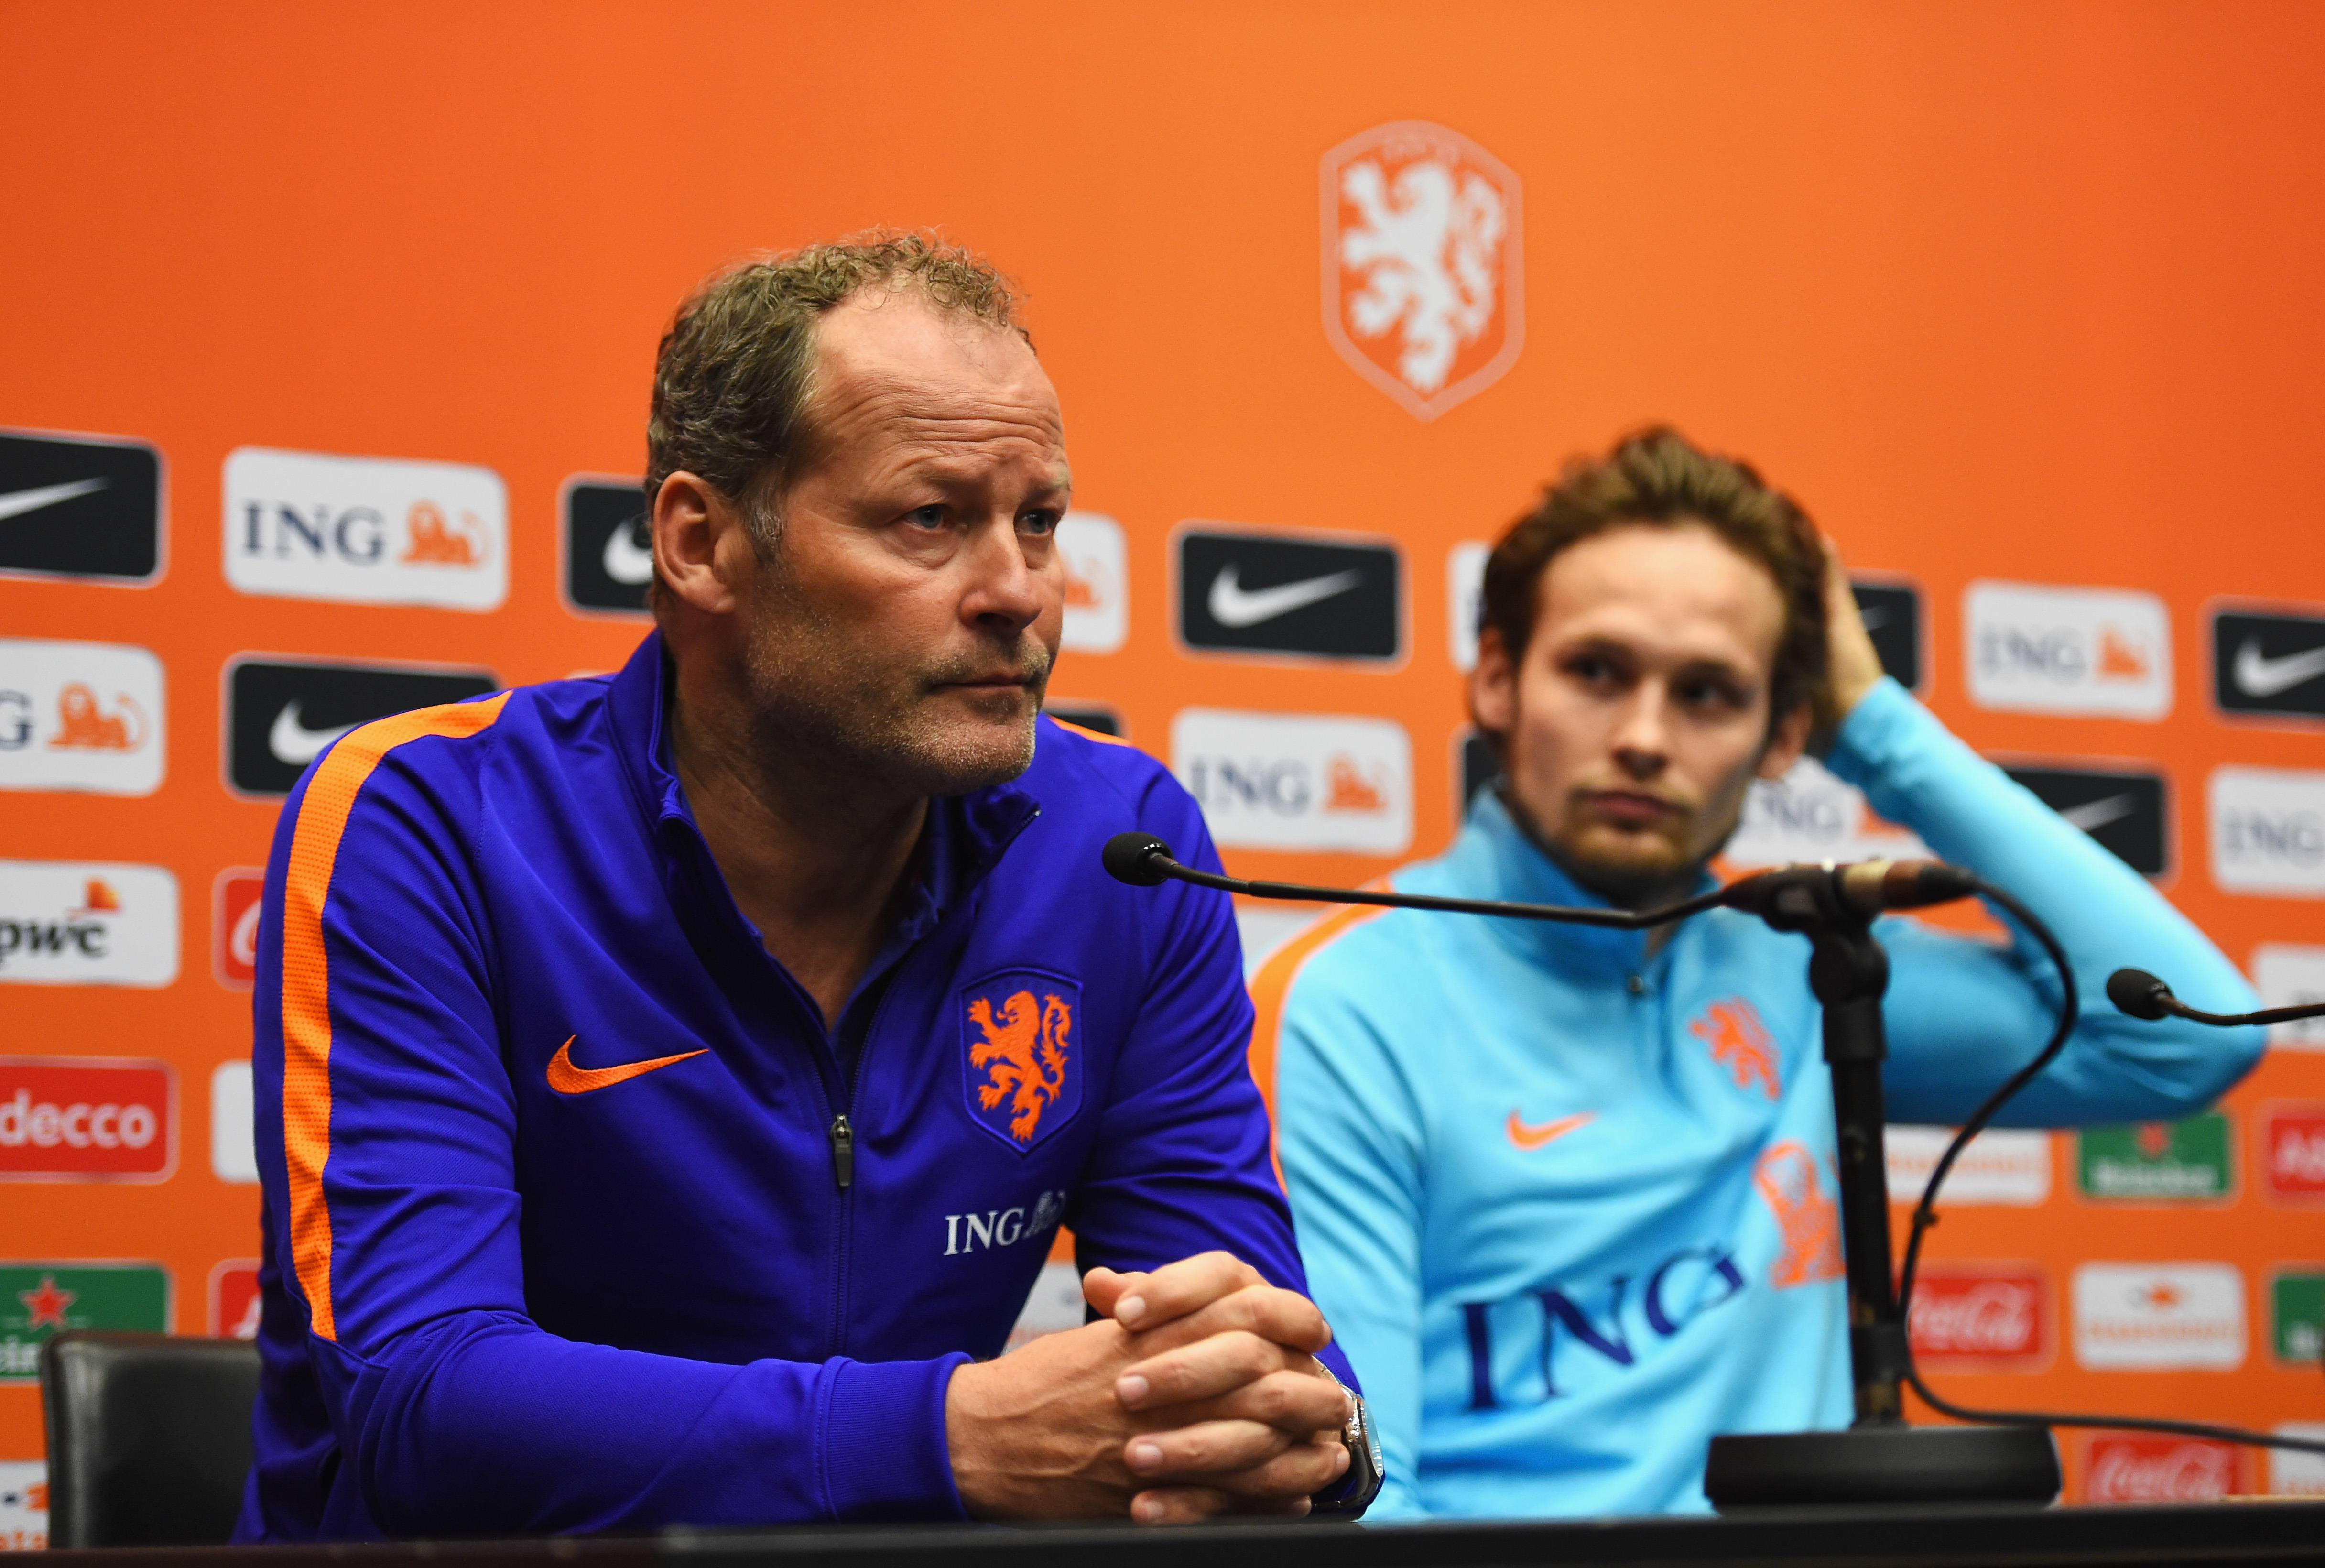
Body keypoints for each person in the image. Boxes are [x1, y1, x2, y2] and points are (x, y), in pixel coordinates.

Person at [237, 235, 1378, 1540]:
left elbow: (1240, 1338)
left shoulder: (1119, 847)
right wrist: (947, 1439)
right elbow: (424, 1407)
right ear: (702, 543)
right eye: (931, 519)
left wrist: (1310, 1434)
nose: (1019, 594)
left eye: (1040, 521)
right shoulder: (431, 821)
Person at [1257, 428, 2264, 1521]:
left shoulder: (1810, 962)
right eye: (1595, 671)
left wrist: (1874, 726)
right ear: (1496, 678)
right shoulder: (1348, 1000)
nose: (1643, 736)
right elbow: (1356, 1498)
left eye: (1707, 692)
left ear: (1784, 731)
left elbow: (2190, 1036)